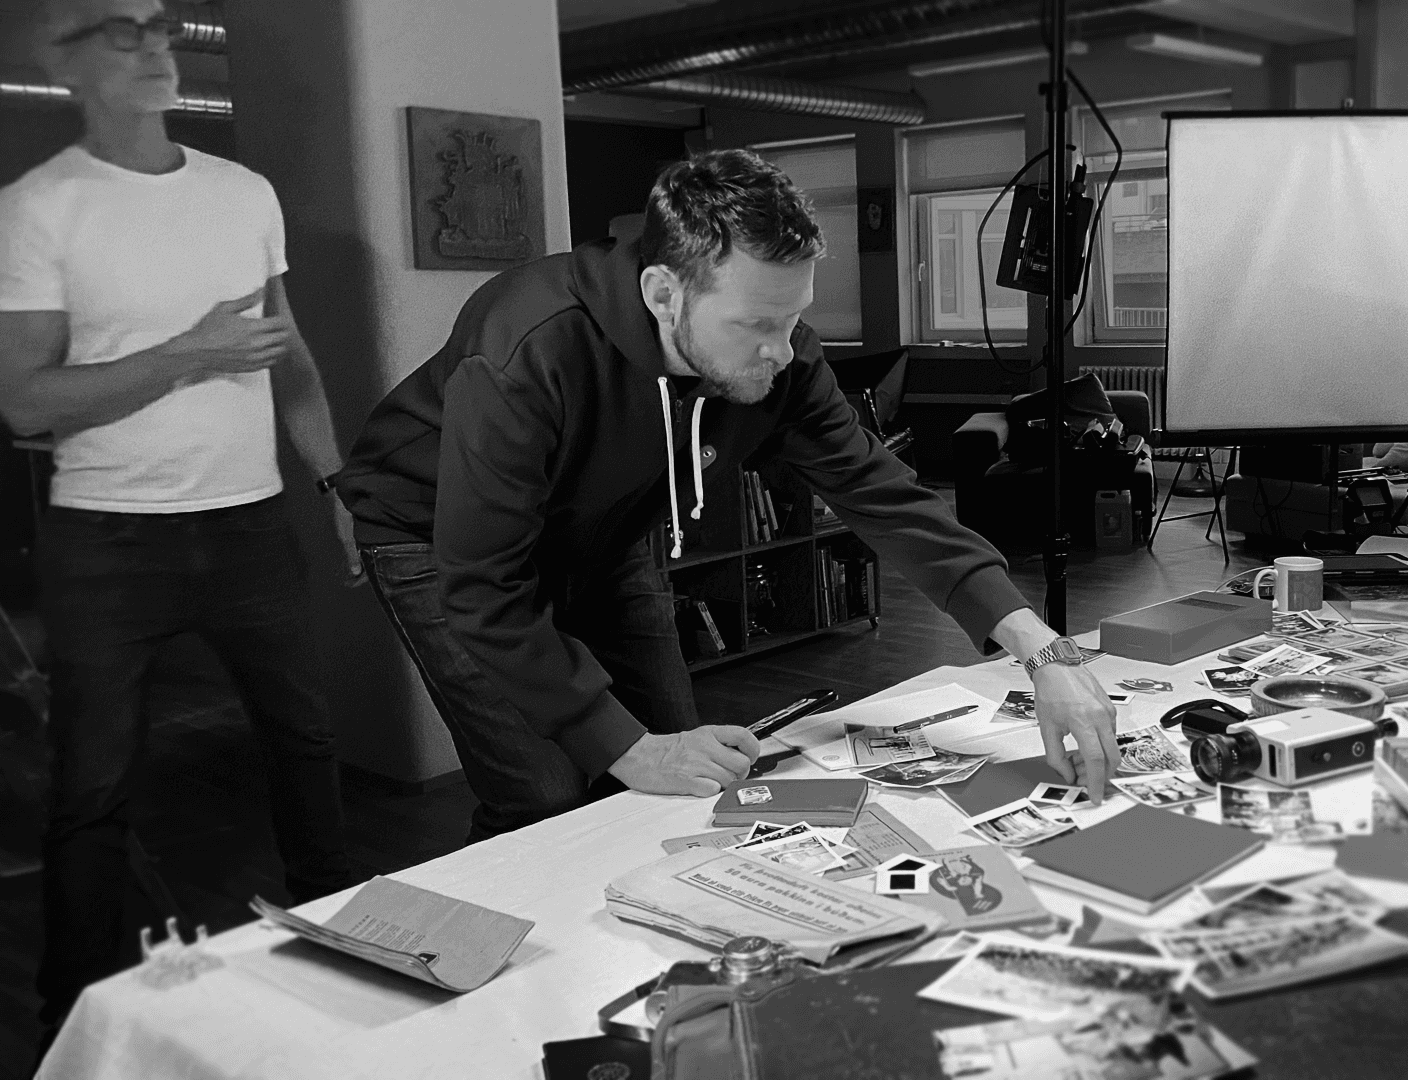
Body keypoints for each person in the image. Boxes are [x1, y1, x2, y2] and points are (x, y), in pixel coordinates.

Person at [337, 149, 1121, 840]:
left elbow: (881, 491)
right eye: (755, 325)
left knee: (689, 763)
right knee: (546, 792)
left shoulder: (784, 352)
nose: (784, 353)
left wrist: (1041, 650)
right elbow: (484, 587)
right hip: (432, 537)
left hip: (607, 532)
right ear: (663, 292)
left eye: (795, 319)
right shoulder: (528, 347)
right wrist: (626, 747)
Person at [0, 0, 358, 1034]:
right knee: (91, 789)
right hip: (108, 539)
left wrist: (338, 487)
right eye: (119, 29)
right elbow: (25, 400)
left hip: (250, 523)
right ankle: (75, 1021)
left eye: (161, 26)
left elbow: (290, 357)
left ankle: (351, 966)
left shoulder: (244, 193)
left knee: (306, 744)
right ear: (64, 64)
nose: (155, 45)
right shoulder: (38, 207)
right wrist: (186, 354)